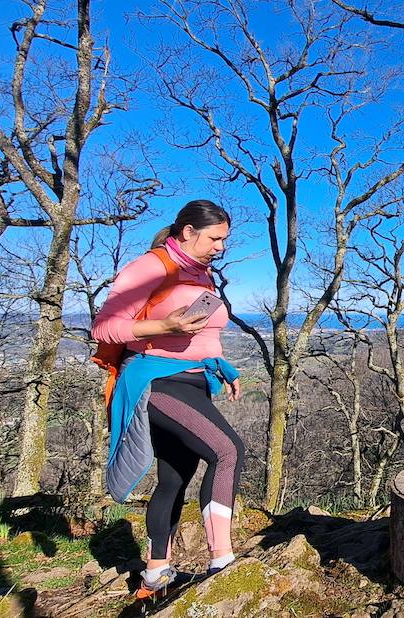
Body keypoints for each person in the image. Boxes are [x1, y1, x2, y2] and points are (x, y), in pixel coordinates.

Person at [91, 199, 245, 599]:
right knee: (227, 451)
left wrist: (223, 368)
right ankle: (222, 559)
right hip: (156, 379)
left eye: (224, 240)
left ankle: (155, 572)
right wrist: (164, 324)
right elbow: (104, 327)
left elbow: (204, 336)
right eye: (215, 238)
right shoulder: (153, 266)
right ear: (188, 232)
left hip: (193, 380)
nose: (220, 247)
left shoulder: (202, 275)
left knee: (175, 476)